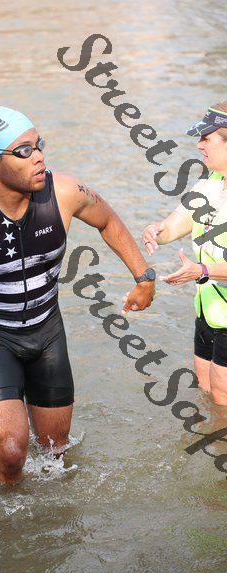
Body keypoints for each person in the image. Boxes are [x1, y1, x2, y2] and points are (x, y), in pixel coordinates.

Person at [0, 106, 155, 484]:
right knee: (11, 452)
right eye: (24, 151)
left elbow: (107, 219)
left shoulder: (64, 193)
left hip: (47, 331)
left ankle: (44, 520)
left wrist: (144, 276)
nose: (38, 156)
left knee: (56, 450)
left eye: (39, 145)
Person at [142, 100, 227, 406]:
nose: (199, 144)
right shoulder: (209, 182)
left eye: (207, 138)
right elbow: (178, 223)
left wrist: (202, 271)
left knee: (223, 402)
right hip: (208, 311)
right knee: (205, 395)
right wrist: (157, 231)